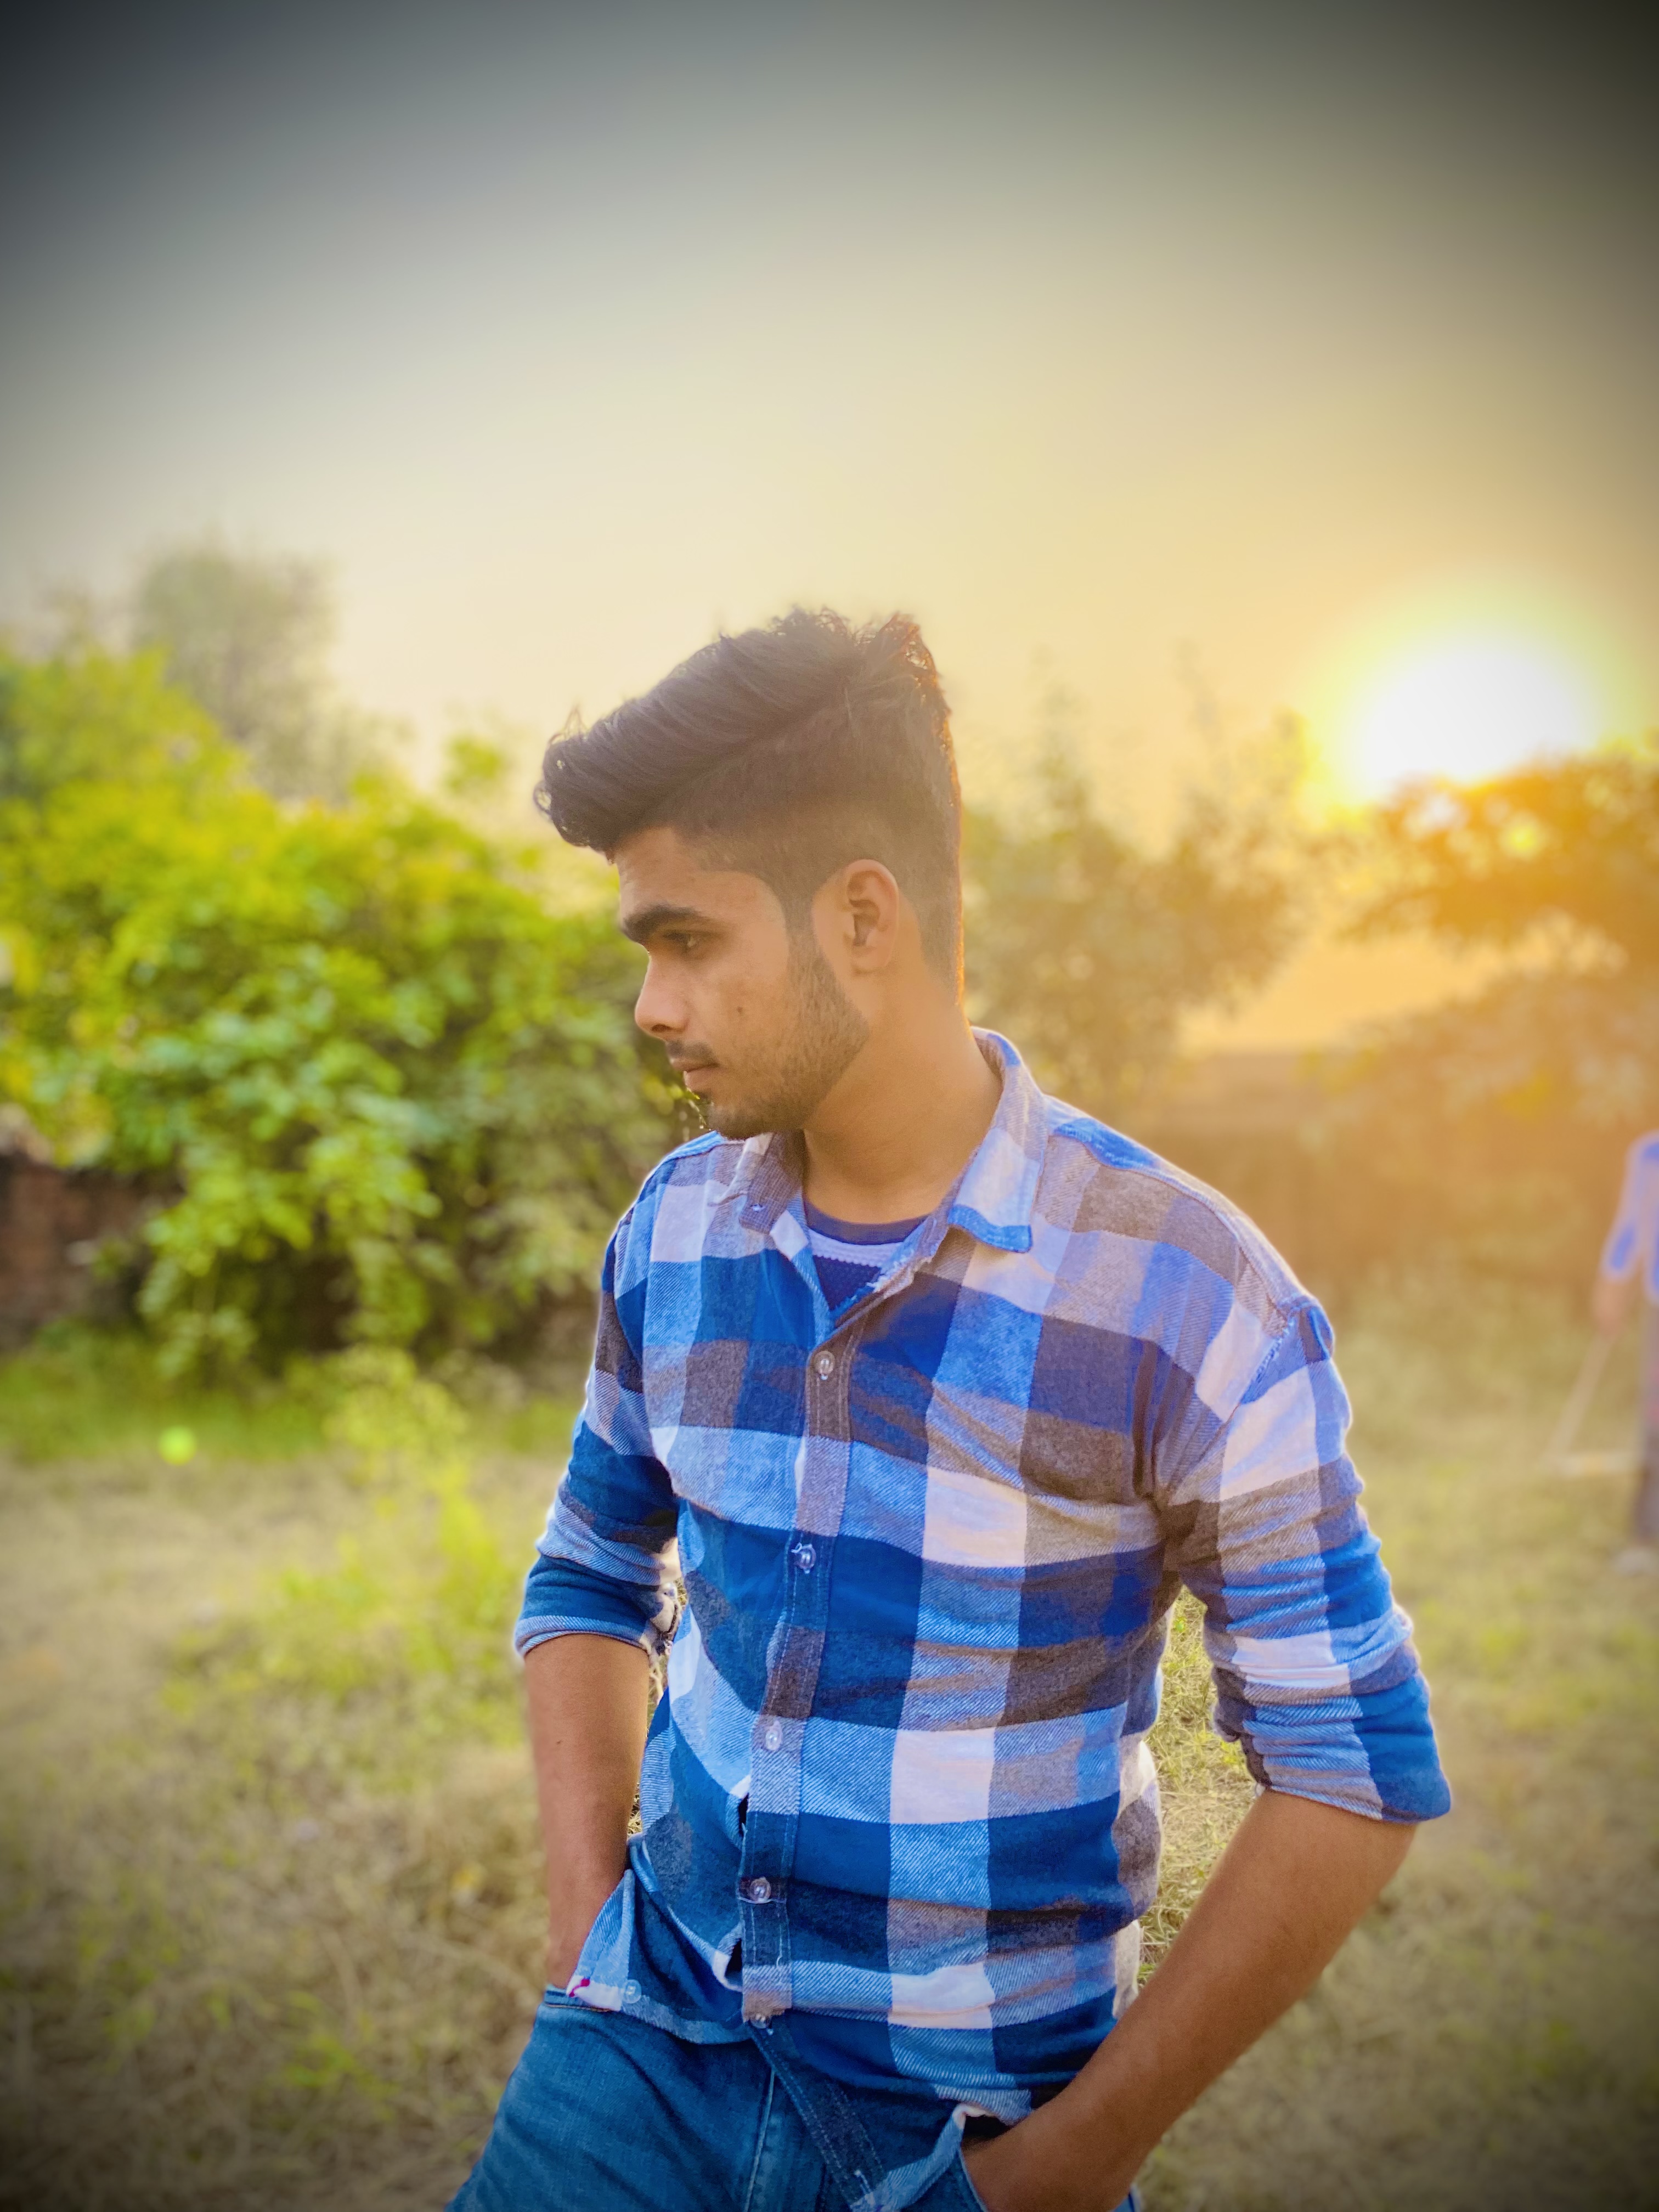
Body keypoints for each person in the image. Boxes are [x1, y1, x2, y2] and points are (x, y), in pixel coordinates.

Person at [449, 611, 1451, 2212]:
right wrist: (590, 1961)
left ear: (863, 918)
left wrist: (1061, 2169)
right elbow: (587, 1571)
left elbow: (1352, 1763)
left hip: (969, 2139)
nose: (650, 1004)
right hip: (636, 2052)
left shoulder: (1184, 1294)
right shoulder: (674, 1233)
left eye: (686, 940)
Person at [1592, 1128, 1659, 1571]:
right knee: (1656, 1421)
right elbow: (1631, 1228)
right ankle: (1645, 1535)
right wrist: (1612, 1284)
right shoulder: (1650, 1155)